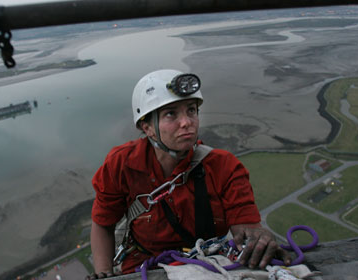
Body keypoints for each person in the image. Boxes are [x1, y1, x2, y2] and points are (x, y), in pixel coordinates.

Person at [89, 69, 291, 278]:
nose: (187, 122)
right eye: (171, 114)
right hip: (144, 266)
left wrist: (258, 239)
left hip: (208, 262)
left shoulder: (224, 167)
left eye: (191, 111)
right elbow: (103, 223)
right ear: (147, 126)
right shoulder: (121, 165)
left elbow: (246, 227)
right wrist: (104, 273)